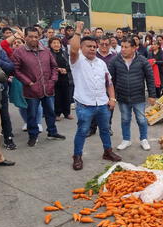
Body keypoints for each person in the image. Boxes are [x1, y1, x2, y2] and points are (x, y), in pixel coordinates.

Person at [69, 21, 121, 170]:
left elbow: (109, 83)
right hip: (85, 105)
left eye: (94, 46)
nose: (92, 48)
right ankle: (77, 156)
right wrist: (78, 30)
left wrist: (112, 98)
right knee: (82, 131)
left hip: (102, 105)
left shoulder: (101, 63)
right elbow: (73, 50)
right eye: (88, 46)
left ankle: (108, 152)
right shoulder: (76, 61)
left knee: (105, 130)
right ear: (81, 47)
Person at [12, 27, 66, 147]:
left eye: (36, 37)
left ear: (39, 37)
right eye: (30, 36)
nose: (33, 39)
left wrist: (52, 80)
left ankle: (52, 132)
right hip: (31, 89)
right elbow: (16, 70)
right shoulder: (19, 52)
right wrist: (29, 83)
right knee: (32, 114)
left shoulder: (46, 51)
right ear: (25, 37)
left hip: (48, 88)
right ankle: (33, 135)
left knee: (50, 112)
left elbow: (54, 67)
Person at [108, 37, 156, 151]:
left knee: (141, 119)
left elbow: (150, 78)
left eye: (126, 47)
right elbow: (110, 80)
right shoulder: (115, 61)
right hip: (123, 96)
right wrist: (111, 97)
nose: (123, 49)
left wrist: (152, 95)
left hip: (138, 96)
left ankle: (144, 139)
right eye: (122, 46)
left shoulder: (142, 60)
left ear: (134, 48)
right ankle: (126, 140)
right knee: (125, 119)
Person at [49, 37, 73, 120]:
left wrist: (66, 70)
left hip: (66, 78)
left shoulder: (65, 53)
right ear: (50, 44)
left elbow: (71, 64)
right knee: (57, 97)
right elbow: (48, 66)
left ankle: (67, 113)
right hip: (55, 78)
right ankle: (57, 113)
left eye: (58, 43)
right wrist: (58, 69)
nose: (56, 45)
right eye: (54, 43)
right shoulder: (48, 54)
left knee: (67, 96)